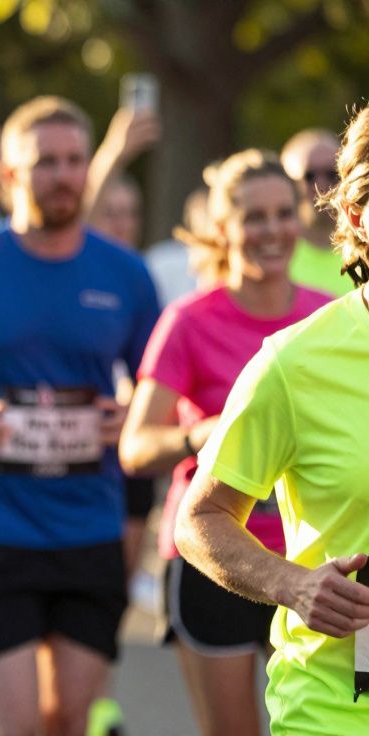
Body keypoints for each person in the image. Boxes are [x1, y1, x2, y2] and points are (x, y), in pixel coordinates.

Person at [0, 95, 160, 736]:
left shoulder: (125, 273)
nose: (65, 175)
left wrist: (128, 412)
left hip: (91, 527)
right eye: (46, 161)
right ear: (11, 174)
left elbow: (162, 385)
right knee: (17, 724)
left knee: (68, 721)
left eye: (75, 160)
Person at [120, 150, 331, 735]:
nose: (272, 231)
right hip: (217, 559)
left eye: (284, 213)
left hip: (310, 558)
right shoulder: (190, 321)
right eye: (254, 217)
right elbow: (134, 448)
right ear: (223, 228)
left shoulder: (326, 318)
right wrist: (202, 434)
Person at [175, 107, 369, 735]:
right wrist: (291, 583)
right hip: (336, 712)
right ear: (359, 214)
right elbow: (198, 519)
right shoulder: (294, 361)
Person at [281, 128, 355, 296]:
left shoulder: (364, 250)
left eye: (332, 174)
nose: (321, 186)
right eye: (309, 176)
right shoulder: (273, 254)